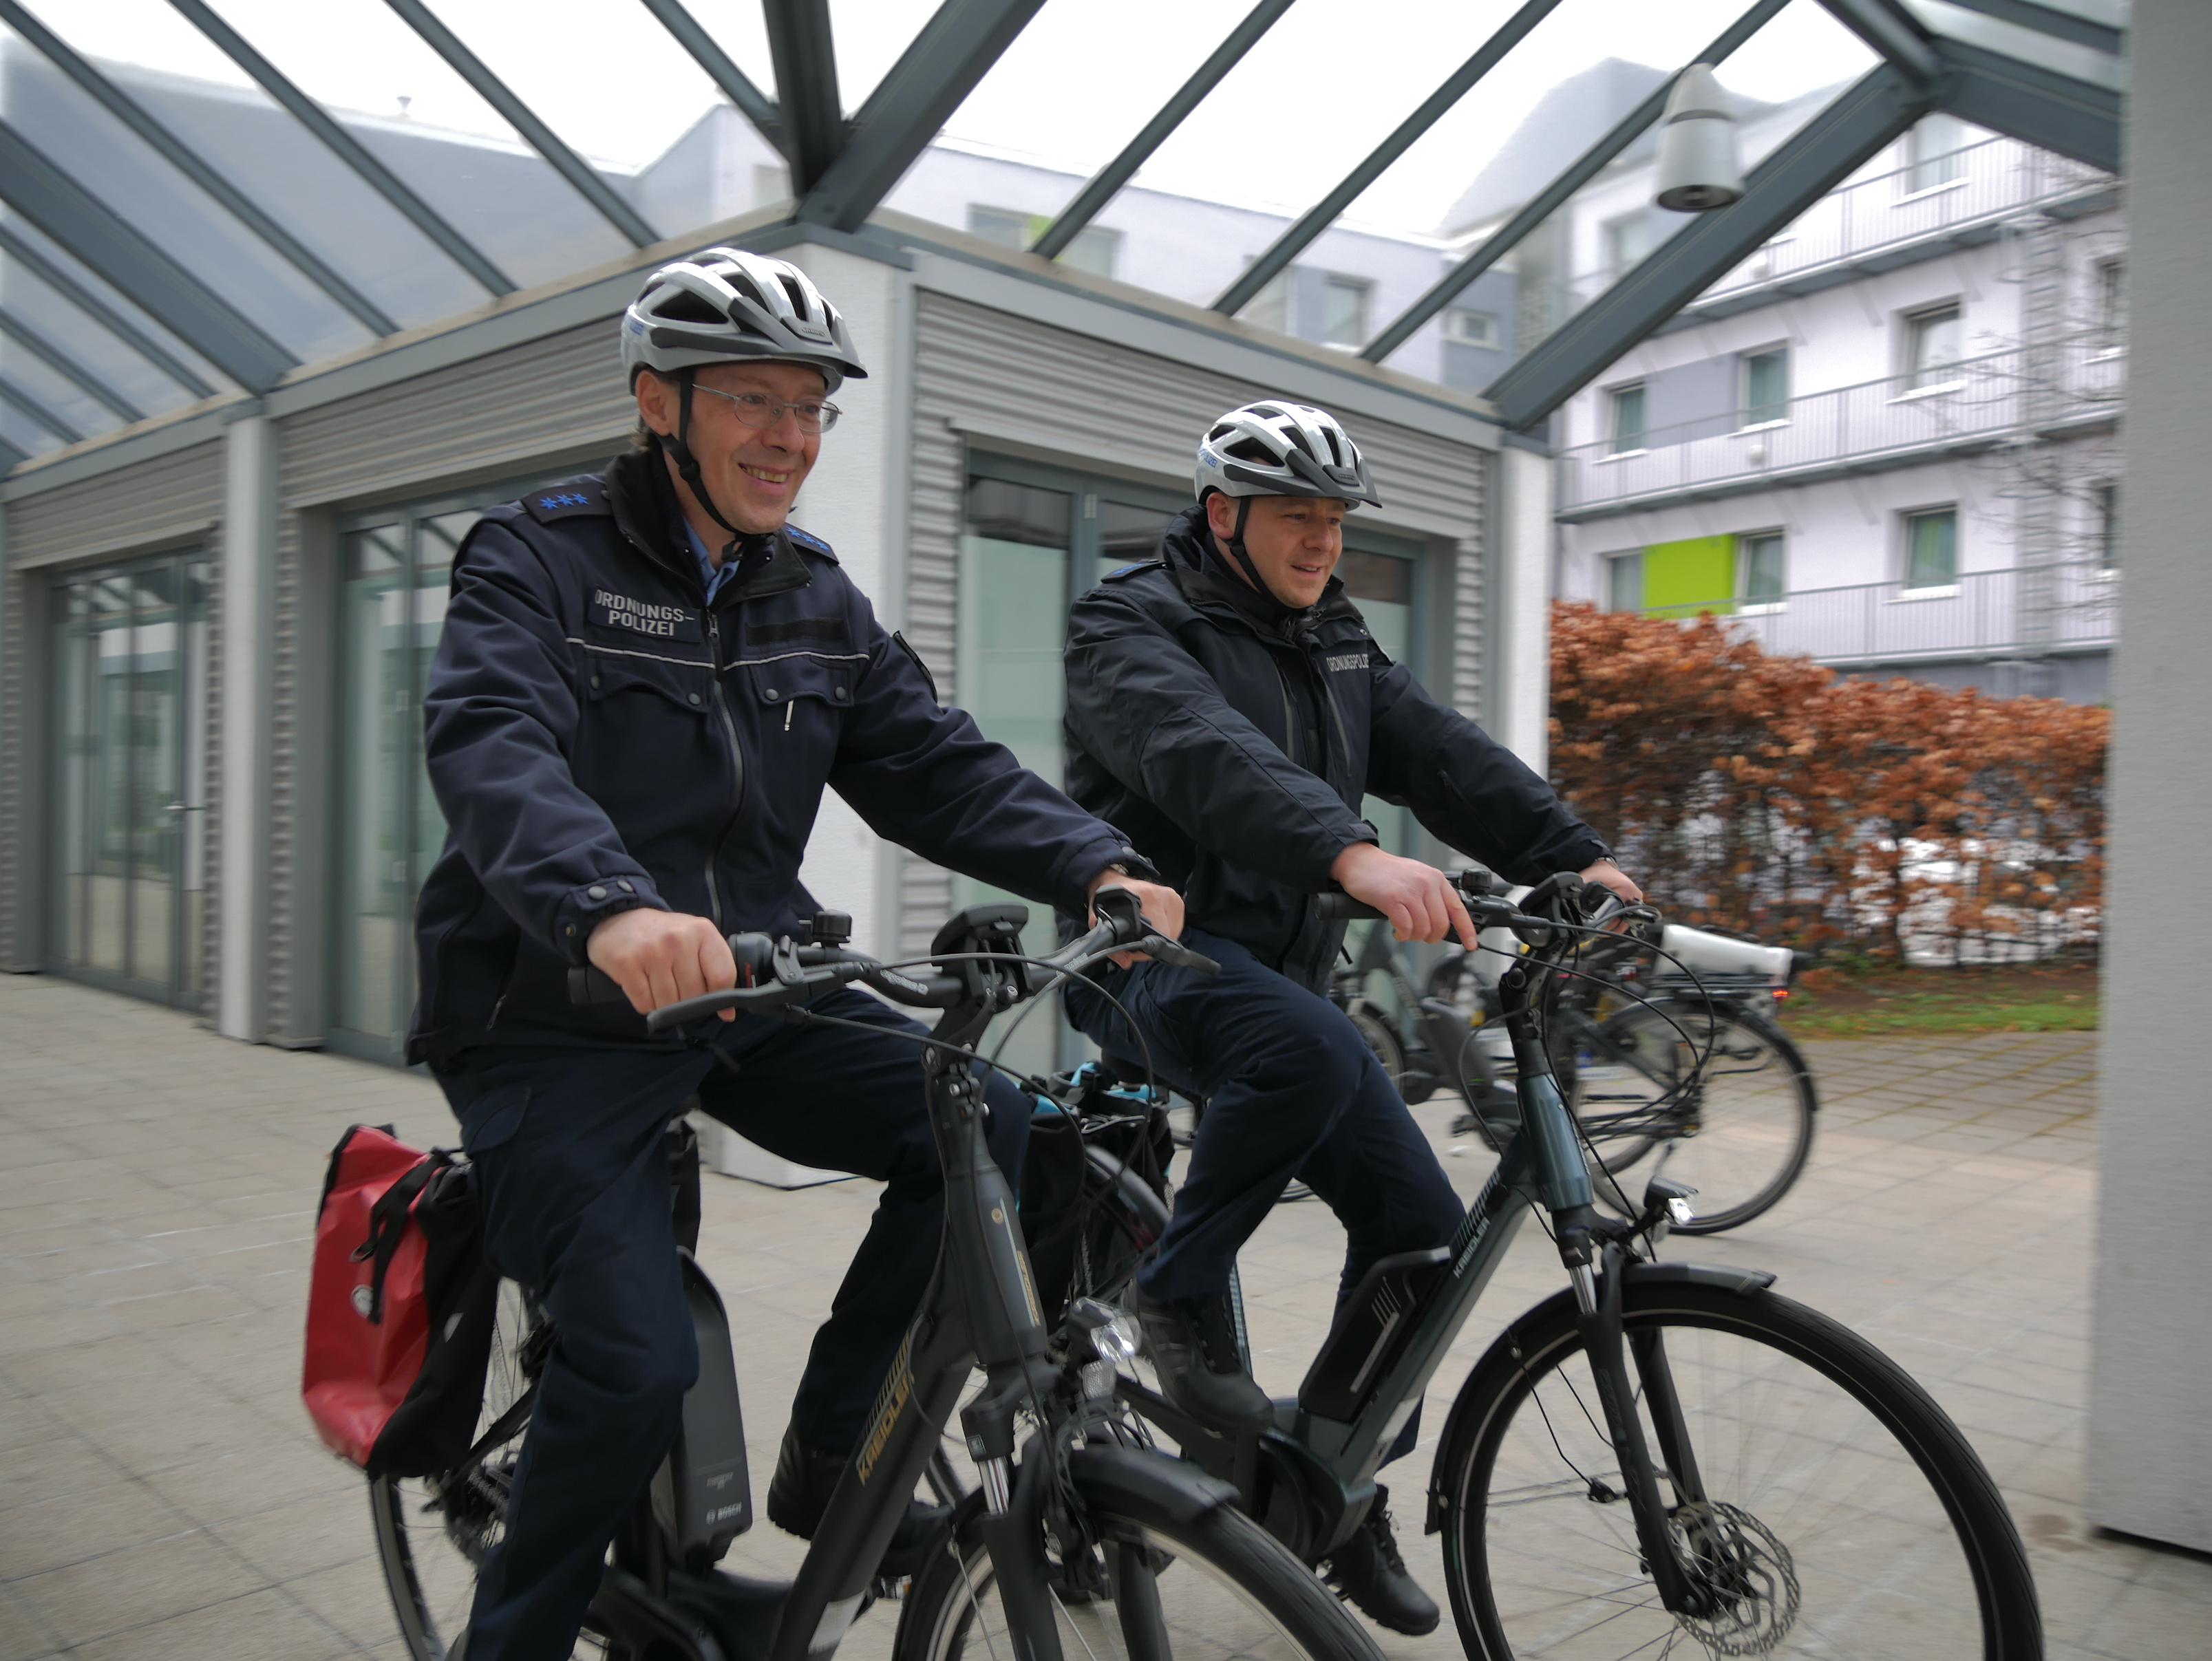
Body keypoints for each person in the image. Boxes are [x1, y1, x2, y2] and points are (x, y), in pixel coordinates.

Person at [408, 247, 1182, 1661]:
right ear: (659, 402)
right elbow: (493, 742)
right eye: (752, 400)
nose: (789, 438)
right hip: (550, 1011)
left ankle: (837, 1452)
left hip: (747, 990)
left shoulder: (809, 593)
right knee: (633, 1363)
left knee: (996, 1126)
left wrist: (1094, 863)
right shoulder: (537, 557)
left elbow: (931, 762)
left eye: (811, 407)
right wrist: (609, 906)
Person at [1059, 400, 1638, 1635]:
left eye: (1334, 519)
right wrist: (1349, 852)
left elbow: (1437, 752)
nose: (1322, 541)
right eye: (1296, 517)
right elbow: (1200, 752)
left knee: (1419, 1234)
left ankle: (1333, 1487)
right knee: (1309, 1040)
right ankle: (1174, 1287)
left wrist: (1573, 854)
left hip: (1278, 982)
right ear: (1223, 516)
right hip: (1149, 959)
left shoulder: (1331, 635)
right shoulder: (1126, 623)